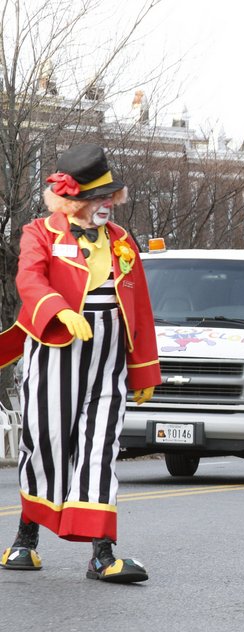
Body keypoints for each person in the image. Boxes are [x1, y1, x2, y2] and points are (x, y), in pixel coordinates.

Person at [0, 144, 160, 583]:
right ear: (73, 199)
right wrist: (58, 310)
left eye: (110, 196)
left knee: (100, 449)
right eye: (97, 197)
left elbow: (140, 306)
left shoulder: (122, 242)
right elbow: (29, 278)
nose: (106, 204)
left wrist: (144, 369)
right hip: (56, 347)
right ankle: (25, 539)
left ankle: (102, 555)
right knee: (47, 443)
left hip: (108, 356)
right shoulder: (40, 233)